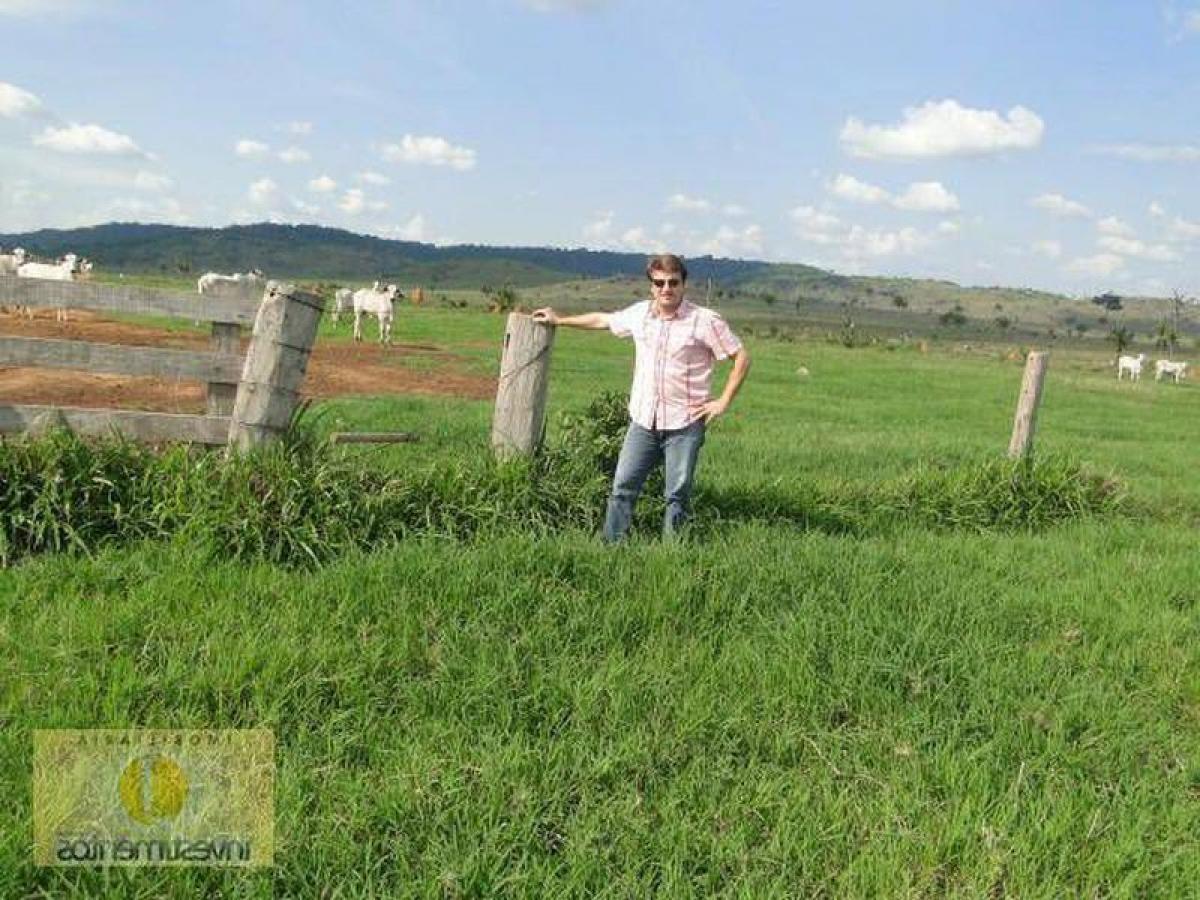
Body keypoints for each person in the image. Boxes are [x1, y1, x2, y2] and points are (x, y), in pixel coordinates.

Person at [532, 253, 750, 541]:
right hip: (643, 421)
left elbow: (741, 356)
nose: (666, 289)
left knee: (677, 494)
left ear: (684, 284)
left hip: (685, 423)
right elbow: (602, 320)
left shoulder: (704, 321)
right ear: (651, 286)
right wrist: (559, 320)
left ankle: (674, 554)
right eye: (659, 283)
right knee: (622, 485)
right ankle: (611, 547)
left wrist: (722, 402)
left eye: (673, 282)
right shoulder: (640, 315)